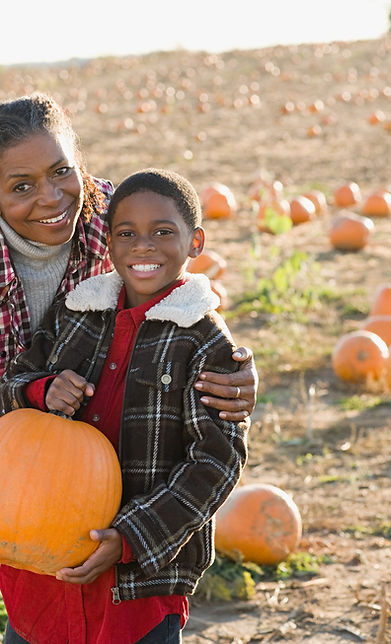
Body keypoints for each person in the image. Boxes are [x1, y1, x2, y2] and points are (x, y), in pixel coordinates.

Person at [0, 168, 250, 643]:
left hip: (136, 587)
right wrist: (41, 390)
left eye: (163, 232)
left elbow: (216, 461)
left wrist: (131, 539)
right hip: (41, 572)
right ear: (108, 244)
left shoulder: (203, 342)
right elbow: (13, 380)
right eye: (127, 233)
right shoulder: (75, 313)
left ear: (195, 242)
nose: (143, 246)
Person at [0, 92, 257, 421]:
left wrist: (225, 361)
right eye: (22, 186)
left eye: (61, 171)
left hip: (85, 436)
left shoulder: (109, 216)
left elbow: (169, 270)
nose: (52, 198)